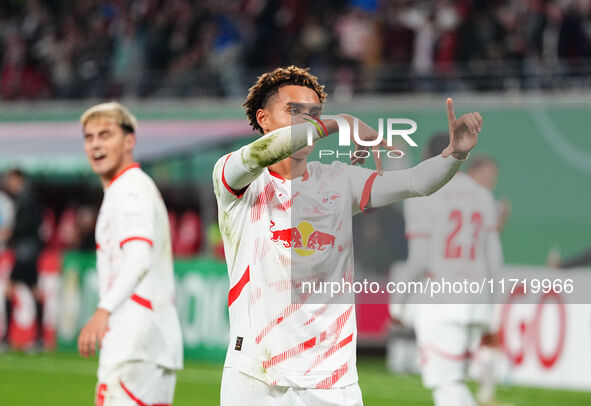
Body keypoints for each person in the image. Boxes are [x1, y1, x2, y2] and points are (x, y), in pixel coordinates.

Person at [213, 66, 483, 405]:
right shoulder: (237, 177)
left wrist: (455, 156)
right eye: (294, 112)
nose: (306, 122)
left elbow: (415, 182)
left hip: (333, 379)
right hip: (257, 376)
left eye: (313, 114)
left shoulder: (339, 180)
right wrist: (338, 122)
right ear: (263, 119)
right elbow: (262, 153)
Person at [77, 102, 183, 406]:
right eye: (89, 137)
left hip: (133, 339)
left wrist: (104, 309)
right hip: (152, 339)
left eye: (105, 134)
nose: (96, 144)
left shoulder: (129, 191)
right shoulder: (136, 187)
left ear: (129, 141)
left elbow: (139, 255)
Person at [394, 135, 503, 406]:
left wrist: (398, 302)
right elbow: (494, 257)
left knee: (445, 384)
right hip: (476, 298)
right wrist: (493, 305)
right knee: (455, 380)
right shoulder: (481, 194)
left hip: (442, 300)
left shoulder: (422, 192)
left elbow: (419, 260)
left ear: (428, 157)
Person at [2, 168, 44, 350]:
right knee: (33, 291)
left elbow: (27, 225)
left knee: (11, 290)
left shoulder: (26, 199)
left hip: (26, 251)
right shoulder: (25, 198)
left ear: (18, 179)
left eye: (11, 179)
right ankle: (38, 338)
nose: (8, 183)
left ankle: (7, 339)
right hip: (29, 250)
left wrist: (10, 234)